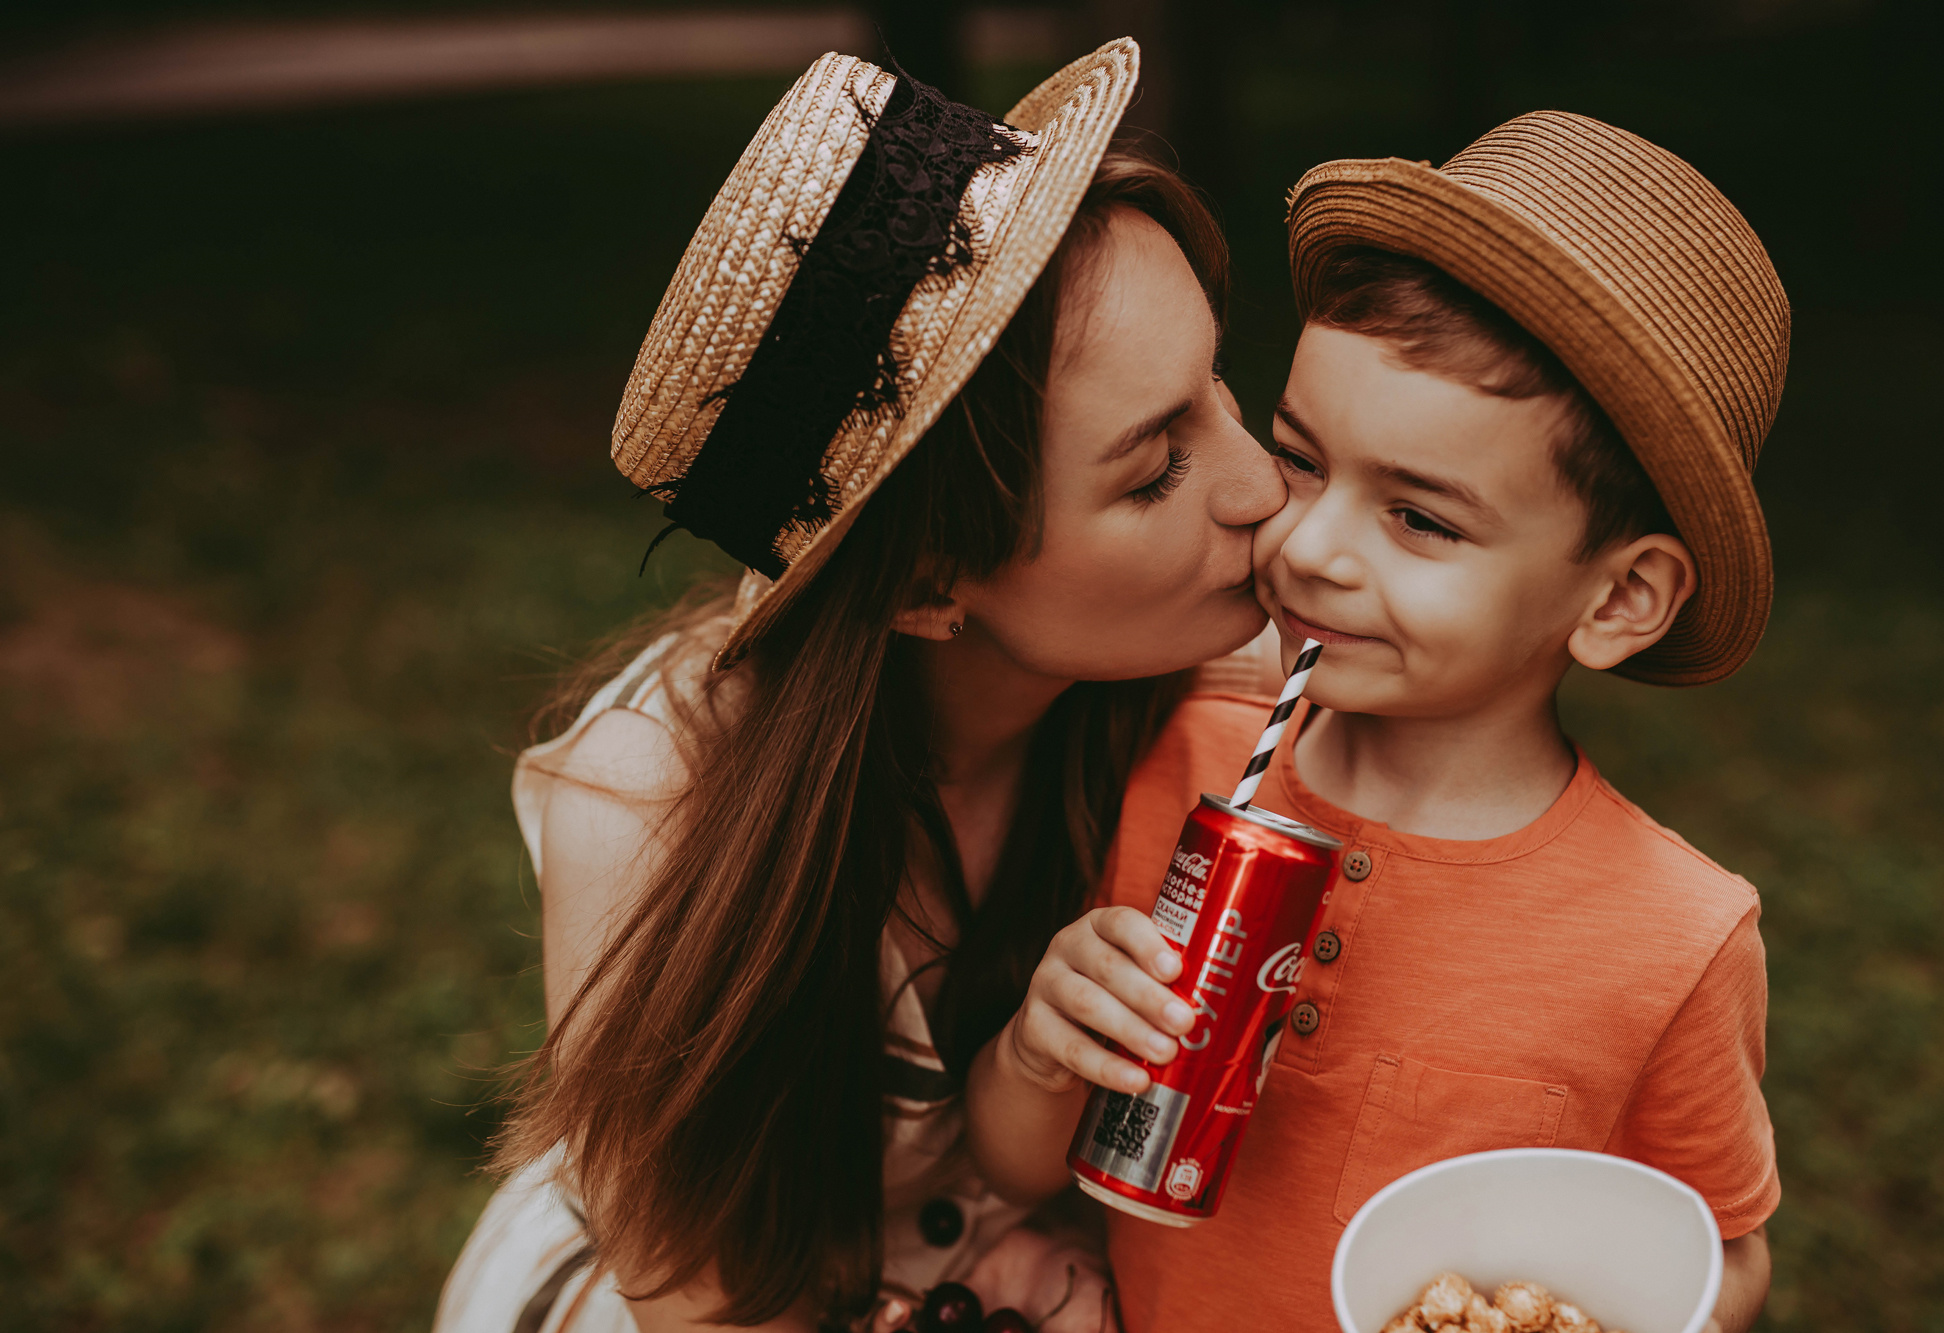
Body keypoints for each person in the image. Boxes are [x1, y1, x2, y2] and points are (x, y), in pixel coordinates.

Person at [431, 40, 1288, 1333]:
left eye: (1216, 387)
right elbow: (703, 1304)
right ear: (925, 585)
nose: (1262, 490)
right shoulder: (649, 813)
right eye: (1152, 469)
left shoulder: (1232, 684)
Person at [968, 112, 1788, 1332]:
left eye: (1419, 520)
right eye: (1301, 461)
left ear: (1617, 597)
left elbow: (1722, 1250)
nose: (1304, 543)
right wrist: (1037, 1057)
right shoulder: (1163, 757)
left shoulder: (1675, 936)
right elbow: (1017, 1169)